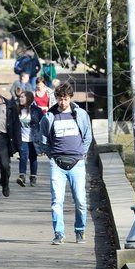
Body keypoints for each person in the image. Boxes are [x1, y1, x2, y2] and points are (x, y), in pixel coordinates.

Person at [38, 82, 93, 244]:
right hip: (57, 163)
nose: (63, 102)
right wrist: (52, 156)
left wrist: (81, 153)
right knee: (57, 201)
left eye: (66, 99)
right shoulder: (49, 116)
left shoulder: (80, 114)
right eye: (60, 99)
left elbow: (88, 136)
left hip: (77, 163)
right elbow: (43, 140)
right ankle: (59, 233)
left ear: (70, 98)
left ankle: (80, 230)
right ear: (56, 98)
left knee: (81, 201)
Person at [17, 91, 42, 188]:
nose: (20, 99)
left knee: (33, 158)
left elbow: (43, 123)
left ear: (28, 98)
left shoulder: (36, 110)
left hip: (34, 138)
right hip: (22, 138)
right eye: (20, 97)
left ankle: (33, 177)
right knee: (23, 156)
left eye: (22, 97)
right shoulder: (17, 110)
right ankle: (22, 176)